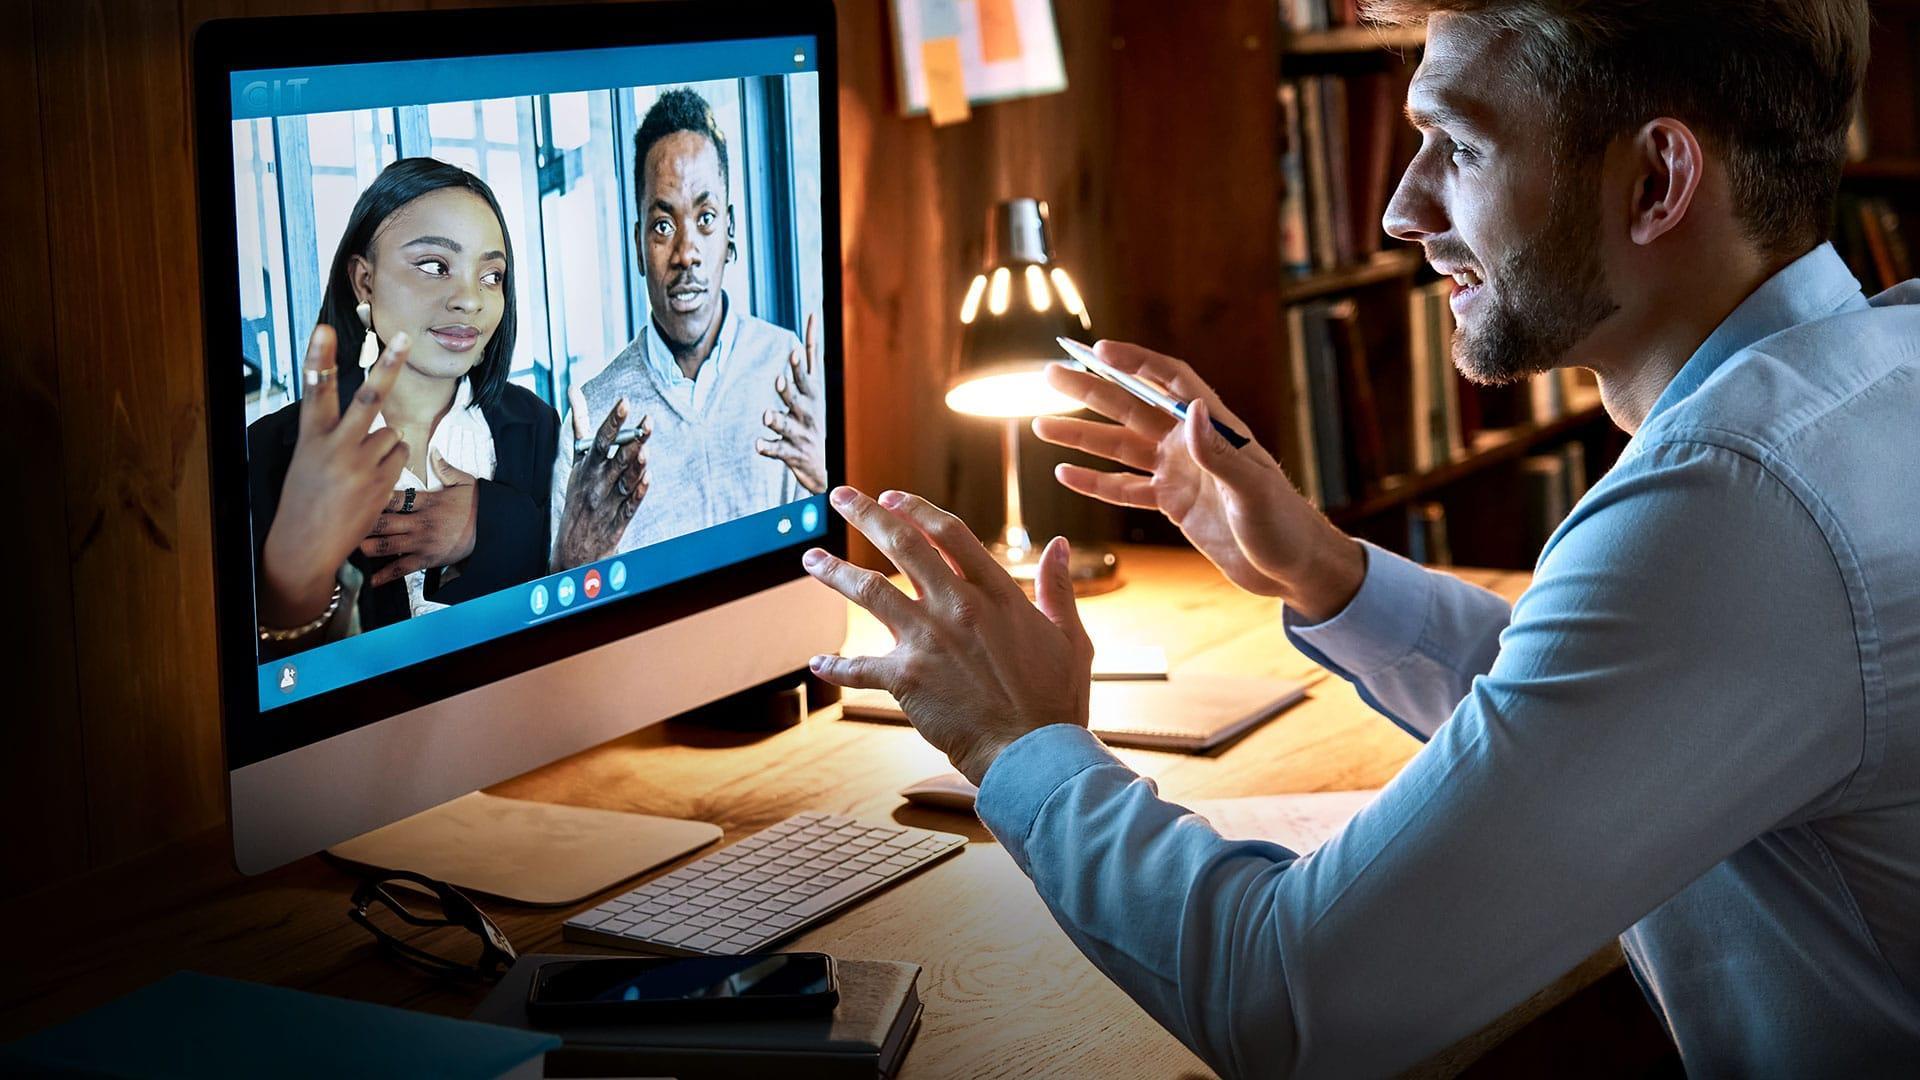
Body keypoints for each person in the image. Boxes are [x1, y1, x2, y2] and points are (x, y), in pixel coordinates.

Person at [798, 1, 1920, 1075]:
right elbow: (1614, 715)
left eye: (1459, 147)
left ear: (1659, 180)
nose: (1402, 210)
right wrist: (1322, 569)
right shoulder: (1875, 369)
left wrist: (1017, 744)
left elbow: (1292, 1000)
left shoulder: (1728, 508)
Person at [251, 158, 560, 655]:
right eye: (436, 266)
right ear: (364, 282)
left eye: (491, 275)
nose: (469, 300)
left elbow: (570, 597)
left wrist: (496, 526)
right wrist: (292, 577)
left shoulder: (537, 426)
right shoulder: (268, 452)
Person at [550, 87, 826, 569]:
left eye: (705, 218)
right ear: (637, 244)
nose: (686, 253)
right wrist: (571, 560)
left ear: (730, 231)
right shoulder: (592, 417)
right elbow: (563, 603)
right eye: (662, 225)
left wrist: (828, 479)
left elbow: (844, 556)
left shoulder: (791, 373)